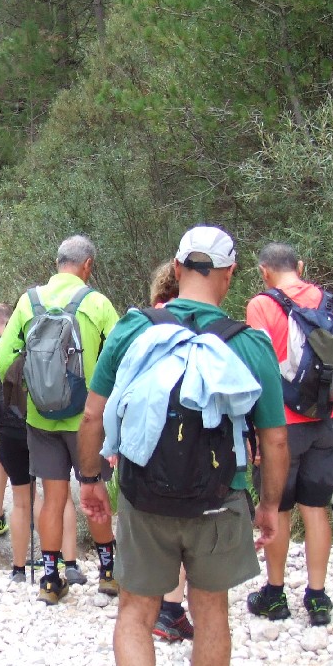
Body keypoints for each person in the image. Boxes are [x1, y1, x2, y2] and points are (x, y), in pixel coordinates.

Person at [77, 225, 290, 666]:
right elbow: (275, 439)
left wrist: (91, 480)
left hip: (145, 497)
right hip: (219, 500)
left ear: (176, 268)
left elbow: (93, 415)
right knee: (211, 610)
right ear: (229, 274)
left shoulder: (134, 327)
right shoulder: (248, 343)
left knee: (135, 610)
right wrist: (268, 505)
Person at [244, 242, 333, 627]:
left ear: (264, 271)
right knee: (316, 508)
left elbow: (258, 371)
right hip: (329, 421)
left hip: (281, 425)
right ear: (299, 265)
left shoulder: (261, 305)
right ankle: (317, 597)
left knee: (278, 508)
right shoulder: (330, 304)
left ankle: (275, 595)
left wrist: (253, 430)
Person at [0, 234, 120, 604]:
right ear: (87, 265)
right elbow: (121, 355)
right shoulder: (96, 302)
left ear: (57, 263)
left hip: (41, 417)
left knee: (53, 498)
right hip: (87, 419)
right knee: (94, 490)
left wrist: (31, 394)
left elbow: (4, 357)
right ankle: (109, 574)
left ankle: (50, 580)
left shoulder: (29, 301)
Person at [0, 304, 83, 582]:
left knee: (23, 500)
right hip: (44, 426)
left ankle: (19, 570)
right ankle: (69, 563)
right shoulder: (42, 344)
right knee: (60, 496)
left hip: (9, 429)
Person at [146, 259, 195, 645]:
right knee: (184, 521)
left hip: (148, 435)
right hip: (190, 432)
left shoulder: (144, 323)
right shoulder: (200, 322)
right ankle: (171, 608)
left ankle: (155, 601)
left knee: (155, 520)